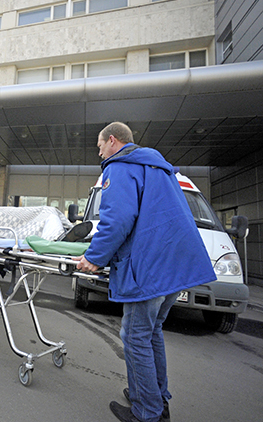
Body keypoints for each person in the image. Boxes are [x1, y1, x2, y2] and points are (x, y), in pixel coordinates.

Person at [75, 122, 216, 422]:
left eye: (100, 146)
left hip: (152, 265)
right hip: (177, 265)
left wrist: (94, 258)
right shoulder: (159, 168)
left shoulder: (119, 167)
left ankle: (147, 412)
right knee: (150, 332)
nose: (99, 152)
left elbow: (118, 219)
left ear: (112, 141)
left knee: (135, 334)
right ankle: (154, 395)